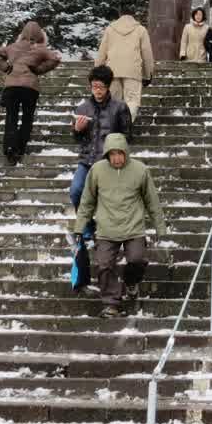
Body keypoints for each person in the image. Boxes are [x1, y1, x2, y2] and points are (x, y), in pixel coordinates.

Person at [72, 134, 165, 319]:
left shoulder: (140, 170)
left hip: (133, 226)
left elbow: (152, 201)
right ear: (107, 154)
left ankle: (131, 283)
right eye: (112, 154)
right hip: (107, 228)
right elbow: (87, 201)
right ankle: (111, 303)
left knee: (136, 260)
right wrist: (79, 227)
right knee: (104, 265)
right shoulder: (97, 170)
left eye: (120, 153)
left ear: (126, 152)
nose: (116, 158)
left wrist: (160, 227)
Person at [0, 20, 61, 166]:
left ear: (22, 34)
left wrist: (6, 67)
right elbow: (54, 59)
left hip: (11, 87)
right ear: (40, 34)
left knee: (11, 117)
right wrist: (39, 69)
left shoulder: (13, 47)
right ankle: (20, 149)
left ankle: (9, 147)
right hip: (30, 88)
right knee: (27, 119)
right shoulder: (41, 49)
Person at [70, 66, 132, 209]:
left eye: (101, 87)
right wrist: (77, 129)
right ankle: (86, 227)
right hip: (87, 160)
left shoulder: (120, 107)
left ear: (108, 86)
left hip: (108, 161)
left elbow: (127, 136)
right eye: (94, 86)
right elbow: (77, 139)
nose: (97, 90)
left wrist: (115, 152)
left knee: (108, 198)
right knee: (76, 191)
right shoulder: (82, 108)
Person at [94, 7, 156, 119]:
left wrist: (97, 70)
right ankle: (126, 126)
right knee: (132, 101)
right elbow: (147, 54)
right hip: (133, 71)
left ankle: (113, 128)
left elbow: (102, 52)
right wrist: (148, 74)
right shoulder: (140, 30)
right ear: (134, 15)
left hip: (112, 70)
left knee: (113, 101)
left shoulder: (110, 29)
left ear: (120, 14)